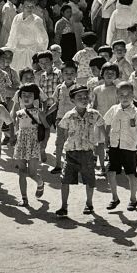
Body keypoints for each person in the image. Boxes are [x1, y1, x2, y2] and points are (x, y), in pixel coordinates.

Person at [56, 85, 104, 218]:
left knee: (89, 180)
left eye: (85, 96)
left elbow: (101, 125)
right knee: (65, 180)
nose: (84, 99)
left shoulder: (94, 114)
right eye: (79, 97)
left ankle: (89, 203)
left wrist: (102, 141)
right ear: (72, 100)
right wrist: (66, 145)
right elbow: (64, 131)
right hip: (71, 153)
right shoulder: (69, 116)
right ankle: (64, 206)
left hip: (87, 153)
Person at [103, 80, 137, 211]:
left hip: (129, 147)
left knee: (131, 174)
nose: (125, 98)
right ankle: (115, 198)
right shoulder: (114, 109)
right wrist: (106, 138)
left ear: (133, 96)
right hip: (115, 145)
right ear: (117, 96)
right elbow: (107, 123)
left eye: (128, 95)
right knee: (110, 172)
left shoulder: (136, 112)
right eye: (121, 95)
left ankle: (133, 199)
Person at [13, 83, 47, 207]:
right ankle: (24, 198)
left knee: (32, 173)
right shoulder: (19, 113)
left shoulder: (39, 113)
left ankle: (40, 183)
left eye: (30, 95)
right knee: (22, 172)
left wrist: (43, 145)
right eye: (24, 95)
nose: (26, 97)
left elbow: (46, 128)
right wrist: (15, 138)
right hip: (22, 144)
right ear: (20, 98)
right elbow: (17, 128)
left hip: (34, 144)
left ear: (35, 98)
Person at [91, 62, 121, 176]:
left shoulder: (117, 89)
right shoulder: (97, 89)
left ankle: (113, 165)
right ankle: (102, 166)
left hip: (113, 121)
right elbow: (94, 105)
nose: (109, 75)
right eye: (107, 73)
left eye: (112, 73)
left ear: (116, 75)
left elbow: (119, 105)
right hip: (100, 120)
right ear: (102, 74)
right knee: (99, 143)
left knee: (112, 144)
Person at [6, 0, 49, 71]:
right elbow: (12, 36)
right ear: (22, 6)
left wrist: (39, 55)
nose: (29, 8)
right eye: (27, 6)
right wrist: (10, 49)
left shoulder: (37, 20)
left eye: (32, 6)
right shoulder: (17, 18)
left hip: (31, 54)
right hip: (18, 53)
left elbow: (43, 40)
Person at [49, 62, 78, 174]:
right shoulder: (59, 87)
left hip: (74, 119)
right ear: (62, 74)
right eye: (66, 73)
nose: (69, 75)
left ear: (76, 74)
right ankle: (57, 165)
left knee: (72, 143)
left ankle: (71, 166)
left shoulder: (78, 88)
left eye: (72, 73)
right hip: (61, 119)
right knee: (59, 142)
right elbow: (56, 103)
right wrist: (46, 113)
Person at [34, 50, 62, 163]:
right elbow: (40, 94)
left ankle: (59, 149)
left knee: (60, 131)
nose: (44, 65)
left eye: (46, 62)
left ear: (52, 61)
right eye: (41, 63)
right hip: (45, 107)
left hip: (58, 107)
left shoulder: (59, 73)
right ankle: (42, 148)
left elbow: (62, 93)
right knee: (45, 130)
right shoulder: (41, 76)